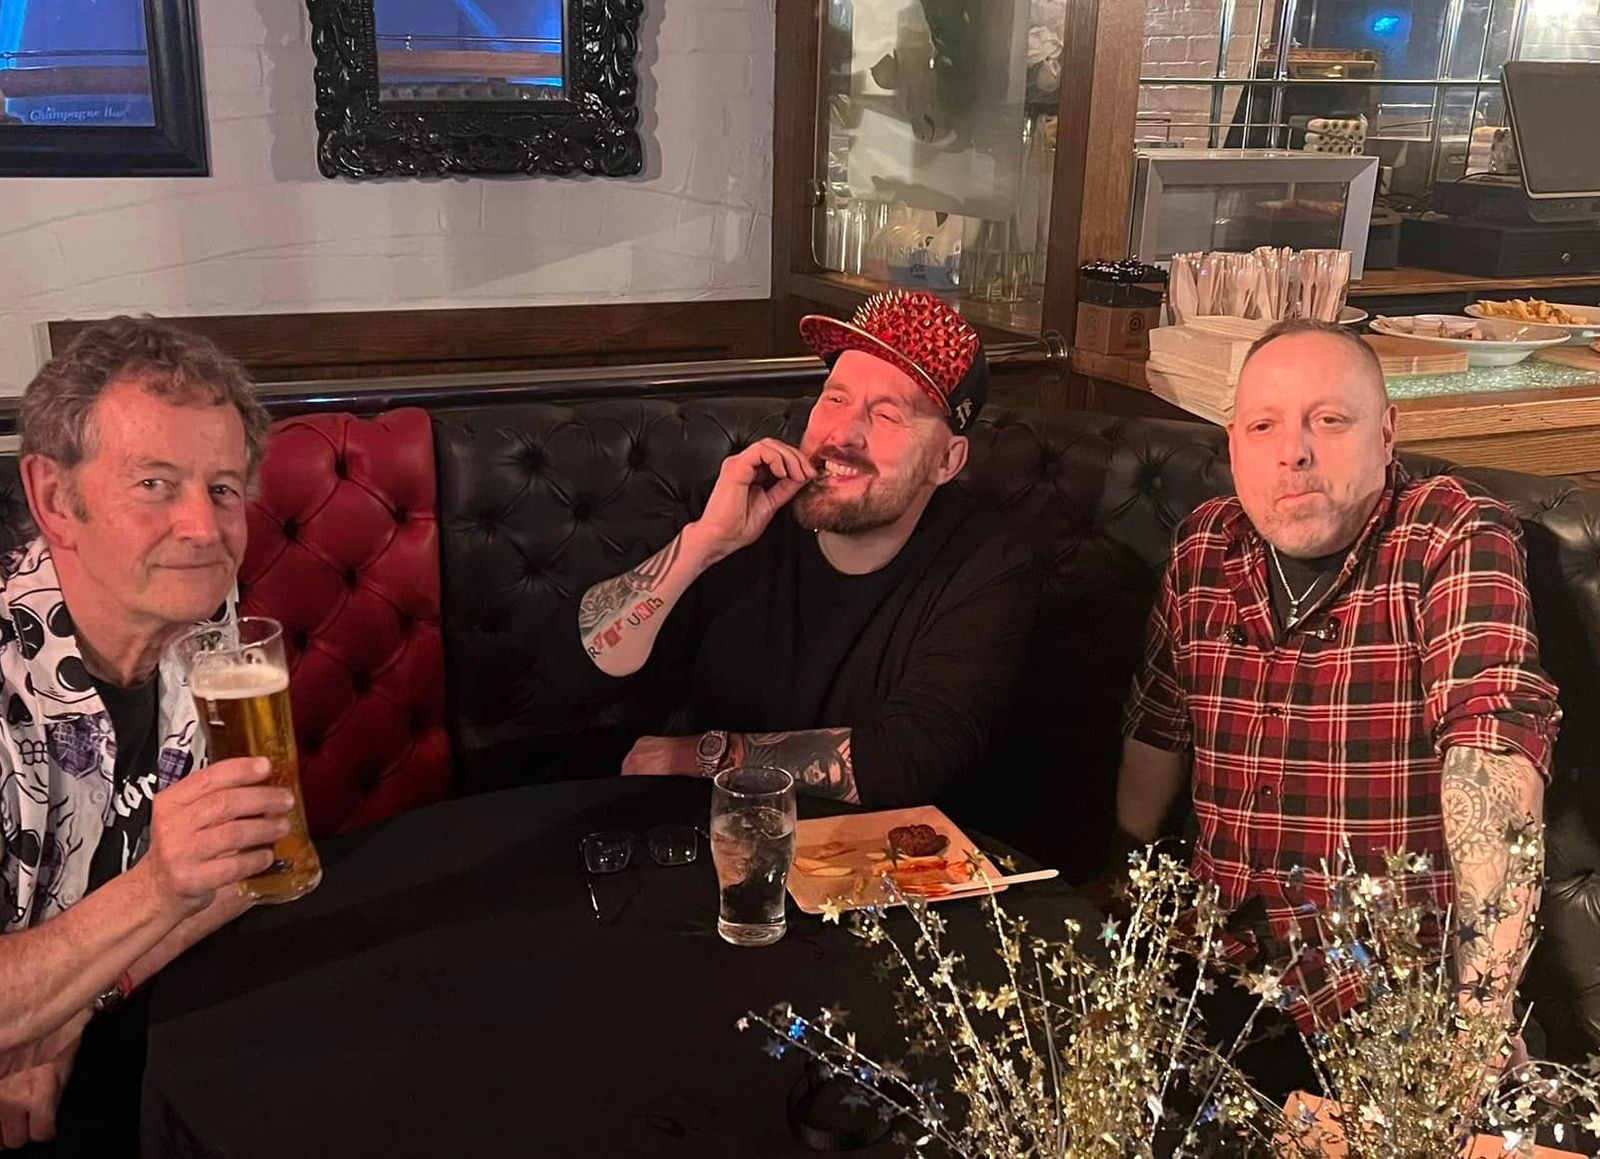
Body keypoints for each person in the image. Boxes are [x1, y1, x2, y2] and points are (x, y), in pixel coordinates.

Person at [1112, 318, 1560, 1095]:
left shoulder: (1451, 532)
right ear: (1233, 445)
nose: (1294, 450)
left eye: (1329, 419)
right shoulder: (1203, 549)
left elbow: (1492, 748)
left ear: (1386, 435)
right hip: (1211, 970)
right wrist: (1124, 901)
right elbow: (1158, 729)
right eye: (1264, 425)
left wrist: (1481, 1013)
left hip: (1386, 999)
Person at [543, 290, 1038, 806]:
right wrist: (704, 544)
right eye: (836, 399)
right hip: (706, 827)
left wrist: (702, 756)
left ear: (947, 461)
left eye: (888, 416)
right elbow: (569, 673)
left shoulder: (988, 560)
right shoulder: (744, 510)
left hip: (867, 850)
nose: (844, 433)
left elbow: (911, 760)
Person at [0, 318, 297, 1154]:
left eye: (224, 488)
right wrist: (160, 887)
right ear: (55, 499)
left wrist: (74, 1009)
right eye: (156, 483)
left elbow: (250, 860)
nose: (204, 528)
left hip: (120, 1041)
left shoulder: (205, 622)